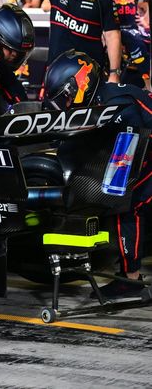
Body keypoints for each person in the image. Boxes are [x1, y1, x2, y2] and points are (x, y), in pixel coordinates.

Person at [42, 49, 152, 298]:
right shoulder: (102, 100)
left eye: (66, 97)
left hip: (146, 152)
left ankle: (131, 280)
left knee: (126, 203)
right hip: (144, 151)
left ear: (80, 84)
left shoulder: (118, 104)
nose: (65, 104)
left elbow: (124, 162)